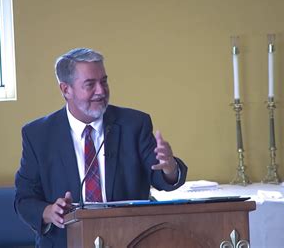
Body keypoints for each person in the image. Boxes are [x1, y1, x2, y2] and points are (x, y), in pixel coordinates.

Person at [14, 48, 188, 247]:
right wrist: (47, 212)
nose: (101, 91)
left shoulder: (134, 124)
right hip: (65, 241)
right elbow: (24, 199)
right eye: (90, 84)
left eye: (104, 81)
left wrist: (170, 168)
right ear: (65, 89)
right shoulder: (38, 135)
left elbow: (160, 176)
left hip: (130, 239)